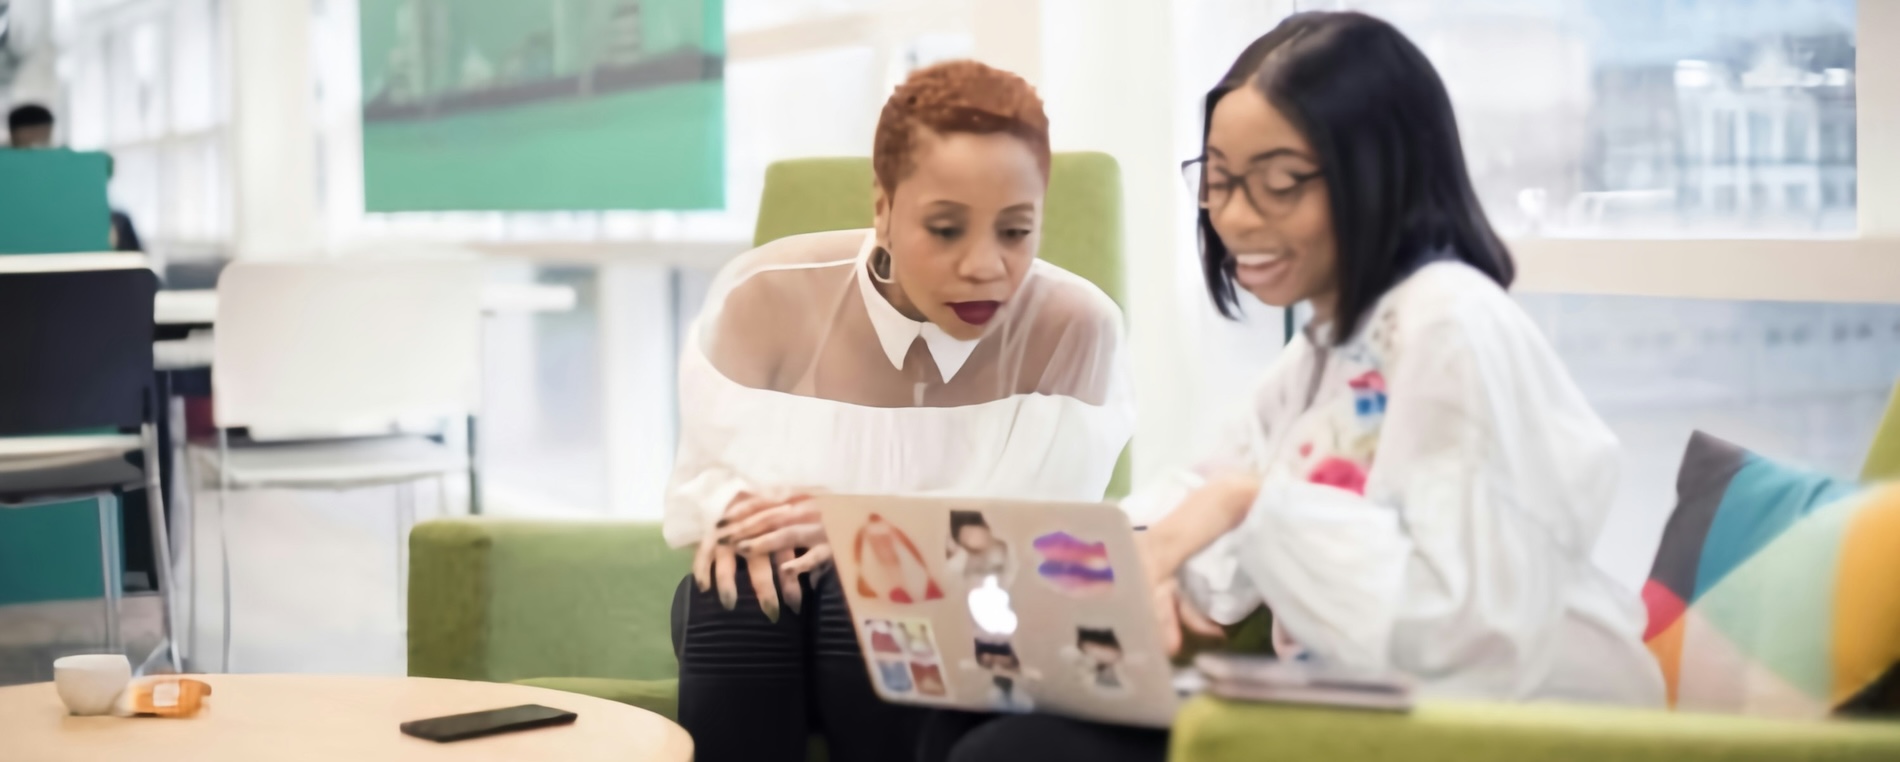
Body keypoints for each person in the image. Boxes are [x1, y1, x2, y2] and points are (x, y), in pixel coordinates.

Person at [924, 12, 1664, 762]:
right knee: (962, 715)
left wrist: (1244, 506)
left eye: (1279, 184)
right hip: (1350, 711)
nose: (1237, 218)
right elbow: (1198, 513)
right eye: (1218, 182)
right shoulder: (1326, 350)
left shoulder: (1450, 324)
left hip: (1499, 731)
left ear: (1379, 175)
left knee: (1011, 753)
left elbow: (1460, 634)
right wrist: (1094, 560)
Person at [667, 59, 1133, 762]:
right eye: (946, 229)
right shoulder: (762, 299)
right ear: (882, 207)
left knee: (869, 597)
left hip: (980, 615)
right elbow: (714, 493)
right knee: (736, 594)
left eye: (1015, 231)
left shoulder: (1075, 327)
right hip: (776, 616)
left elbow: (1037, 544)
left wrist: (861, 527)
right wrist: (750, 522)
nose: (985, 266)